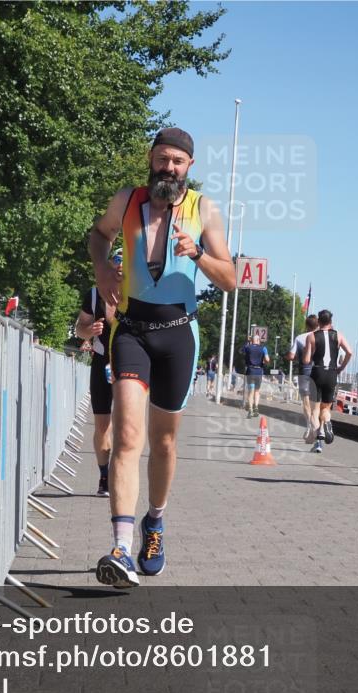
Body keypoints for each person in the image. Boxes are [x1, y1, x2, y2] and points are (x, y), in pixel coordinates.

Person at [88, 127, 236, 587]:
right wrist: (101, 267)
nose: (168, 168)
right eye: (162, 159)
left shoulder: (203, 210)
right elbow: (98, 235)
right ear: (151, 159)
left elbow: (230, 278)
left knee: (164, 443)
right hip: (131, 329)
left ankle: (154, 522)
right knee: (128, 439)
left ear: (189, 167)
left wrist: (198, 257)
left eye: (178, 162)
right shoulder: (127, 200)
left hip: (178, 334)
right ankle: (120, 548)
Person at [74, 254, 121, 497]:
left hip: (128, 364)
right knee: (102, 425)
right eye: (115, 265)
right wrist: (89, 330)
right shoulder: (94, 294)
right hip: (101, 361)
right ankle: (104, 475)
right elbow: (79, 328)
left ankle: (120, 475)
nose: (119, 271)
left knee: (126, 425)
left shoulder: (138, 294)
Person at [303, 309, 352, 454]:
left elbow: (306, 360)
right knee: (325, 408)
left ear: (318, 321)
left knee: (314, 410)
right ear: (331, 322)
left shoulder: (311, 336)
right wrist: (341, 367)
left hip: (317, 372)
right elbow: (350, 352)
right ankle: (328, 423)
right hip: (331, 373)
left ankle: (319, 434)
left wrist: (310, 354)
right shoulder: (338, 336)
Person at [286, 314, 320, 442]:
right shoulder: (320, 338)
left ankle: (309, 426)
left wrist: (294, 357)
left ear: (306, 325)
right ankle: (316, 427)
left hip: (304, 372)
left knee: (306, 403)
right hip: (318, 373)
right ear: (317, 325)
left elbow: (290, 355)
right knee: (316, 405)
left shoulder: (300, 338)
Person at [241, 334, 270, 417]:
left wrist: (247, 342)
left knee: (251, 392)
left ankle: (250, 410)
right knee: (257, 391)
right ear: (258, 340)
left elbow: (241, 350)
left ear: (252, 341)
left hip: (250, 371)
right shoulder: (263, 348)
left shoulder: (248, 348)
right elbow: (267, 360)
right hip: (259, 371)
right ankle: (256, 408)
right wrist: (263, 361)